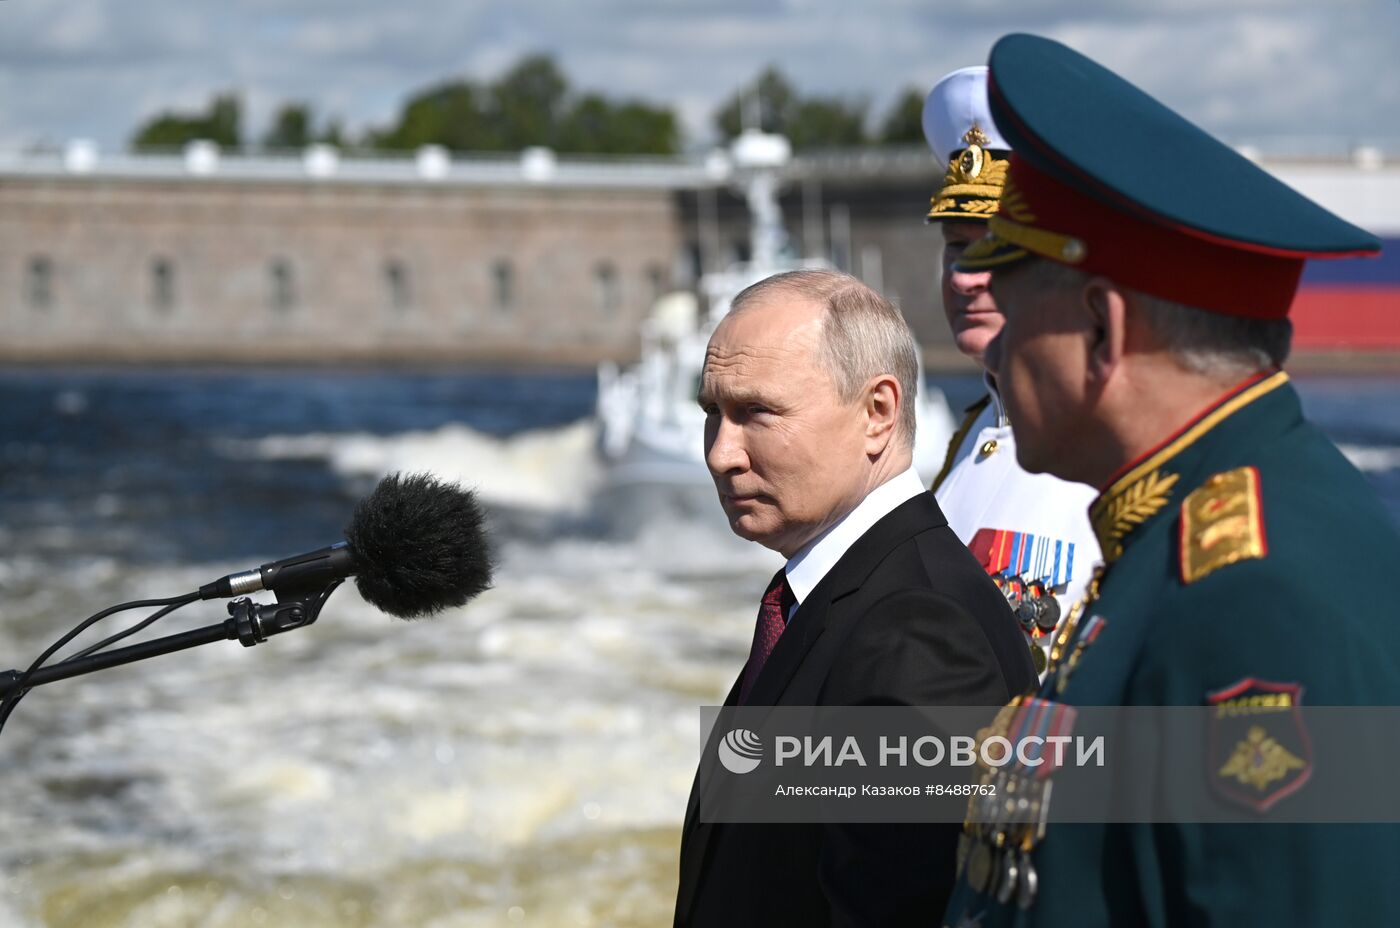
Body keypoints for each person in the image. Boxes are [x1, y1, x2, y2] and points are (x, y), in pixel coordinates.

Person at [939, 33, 1400, 927]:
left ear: (1103, 332)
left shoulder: (1252, 598)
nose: (992, 339)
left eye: (1012, 295)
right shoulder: (1186, 529)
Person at [674, 269, 1036, 927]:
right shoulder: (840, 595)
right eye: (712, 414)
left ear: (878, 412)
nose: (722, 454)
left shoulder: (915, 630)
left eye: (757, 412)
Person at [922, 66, 1100, 676]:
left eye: (996, 247)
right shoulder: (970, 438)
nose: (964, 276)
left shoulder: (1116, 454)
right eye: (956, 245)